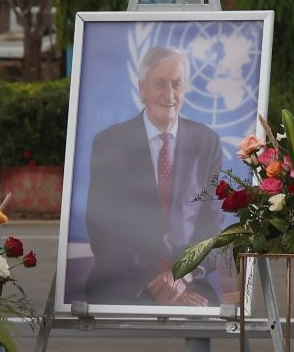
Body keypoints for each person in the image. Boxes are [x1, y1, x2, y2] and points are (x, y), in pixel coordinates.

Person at [84, 46, 224, 307]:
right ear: (142, 89)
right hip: (125, 282)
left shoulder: (207, 142)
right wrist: (156, 285)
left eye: (177, 84)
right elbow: (101, 225)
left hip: (192, 280)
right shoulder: (109, 143)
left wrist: (181, 276)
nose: (169, 94)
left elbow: (211, 222)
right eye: (160, 83)